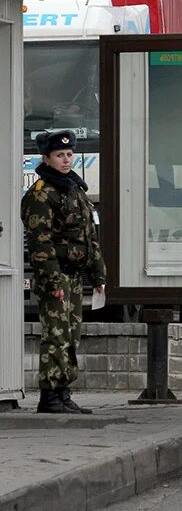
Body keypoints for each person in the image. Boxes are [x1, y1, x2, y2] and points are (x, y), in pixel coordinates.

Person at [21, 130, 105, 414]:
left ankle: (64, 393)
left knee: (71, 336)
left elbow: (89, 236)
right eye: (60, 155)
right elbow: (40, 241)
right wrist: (53, 279)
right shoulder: (41, 193)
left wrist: (98, 275)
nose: (66, 160)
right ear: (47, 158)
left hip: (73, 276)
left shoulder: (75, 190)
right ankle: (50, 397)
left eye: (69, 155)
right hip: (54, 278)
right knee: (56, 335)